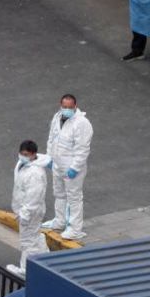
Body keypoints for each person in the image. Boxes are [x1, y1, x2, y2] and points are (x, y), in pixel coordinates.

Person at [42, 94, 93, 240]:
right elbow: (52, 139)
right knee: (59, 193)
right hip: (58, 164)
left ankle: (75, 228)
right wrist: (50, 158)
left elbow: (83, 149)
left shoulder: (82, 123)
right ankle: (60, 221)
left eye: (70, 107)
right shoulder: (57, 117)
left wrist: (75, 168)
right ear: (60, 105)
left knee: (74, 197)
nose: (67, 109)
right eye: (64, 107)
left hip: (72, 168)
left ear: (75, 106)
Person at [6, 140, 51, 276]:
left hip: (31, 212)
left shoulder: (35, 174)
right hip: (27, 210)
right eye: (21, 153)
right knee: (35, 236)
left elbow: (34, 197)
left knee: (27, 241)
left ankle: (26, 270)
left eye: (26, 154)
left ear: (33, 154)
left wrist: (25, 214)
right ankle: (45, 258)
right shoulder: (24, 165)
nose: (22, 156)